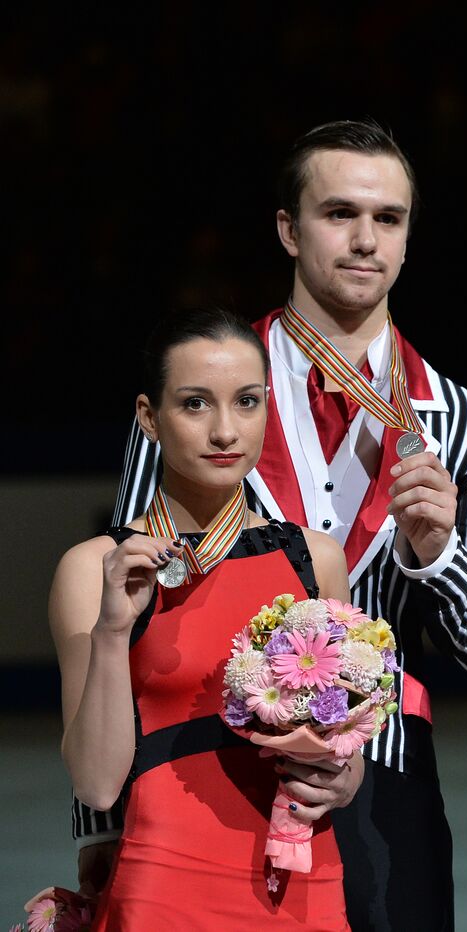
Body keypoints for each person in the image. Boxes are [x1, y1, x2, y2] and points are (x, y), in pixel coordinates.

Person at [76, 120, 467, 930]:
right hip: (211, 775)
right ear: (288, 228)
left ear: (410, 238)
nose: (365, 239)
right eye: (339, 213)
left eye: (388, 219)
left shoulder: (462, 419)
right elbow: (127, 614)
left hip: (386, 775)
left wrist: (436, 552)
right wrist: (96, 826)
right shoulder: (203, 396)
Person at [51, 309, 363, 929]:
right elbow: (94, 785)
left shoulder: (315, 559)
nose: (226, 430)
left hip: (301, 876)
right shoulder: (95, 570)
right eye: (196, 405)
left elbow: (341, 729)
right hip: (163, 884)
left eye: (246, 402)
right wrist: (114, 633)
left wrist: (345, 776)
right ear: (149, 417)